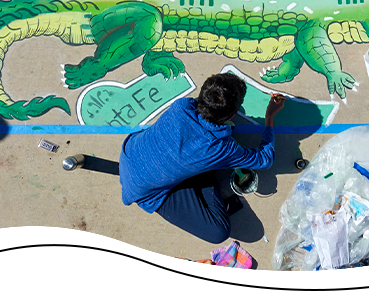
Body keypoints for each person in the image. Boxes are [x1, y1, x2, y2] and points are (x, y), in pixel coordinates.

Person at [118, 73, 285, 244]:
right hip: (146, 192)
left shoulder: (181, 106)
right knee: (218, 232)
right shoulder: (221, 147)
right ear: (231, 115)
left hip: (130, 152)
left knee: (193, 153)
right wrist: (270, 117)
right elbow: (265, 159)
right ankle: (204, 170)